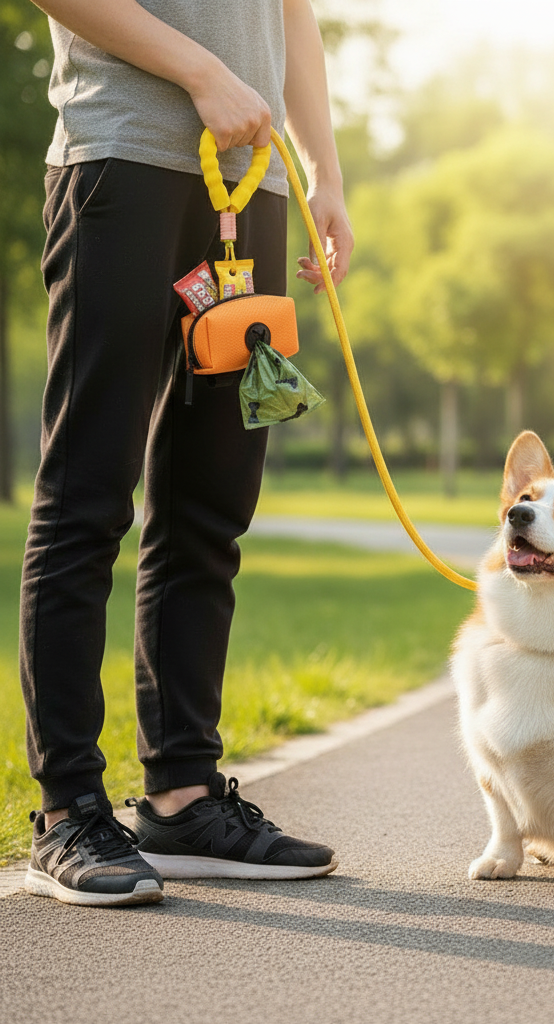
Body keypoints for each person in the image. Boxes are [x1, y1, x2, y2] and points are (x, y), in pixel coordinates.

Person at [21, 0, 355, 906]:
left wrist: (324, 168)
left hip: (253, 188)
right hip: (122, 160)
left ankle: (183, 798)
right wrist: (202, 72)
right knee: (89, 495)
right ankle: (66, 811)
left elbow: (293, 13)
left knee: (212, 503)